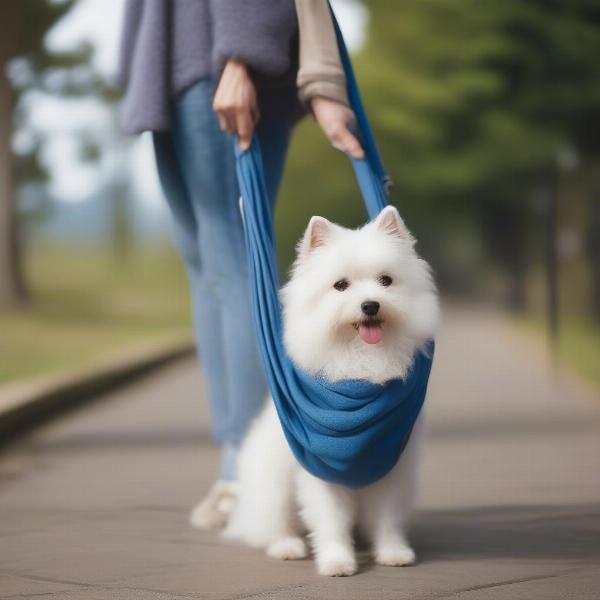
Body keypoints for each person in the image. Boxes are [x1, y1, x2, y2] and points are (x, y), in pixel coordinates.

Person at [117, 0, 364, 527]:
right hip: (174, 57)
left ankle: (251, 469)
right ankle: (237, 461)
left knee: (232, 264)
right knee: (207, 270)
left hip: (217, 55)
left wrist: (239, 57)